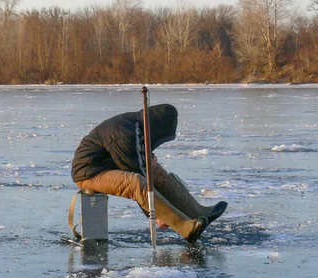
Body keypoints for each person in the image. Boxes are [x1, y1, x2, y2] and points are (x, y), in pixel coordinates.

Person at [71, 104, 227, 244]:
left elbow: (139, 158)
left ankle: (197, 213)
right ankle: (185, 228)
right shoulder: (124, 132)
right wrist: (154, 214)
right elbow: (133, 170)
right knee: (135, 182)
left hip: (105, 165)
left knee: (156, 171)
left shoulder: (136, 126)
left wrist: (149, 159)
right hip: (89, 173)